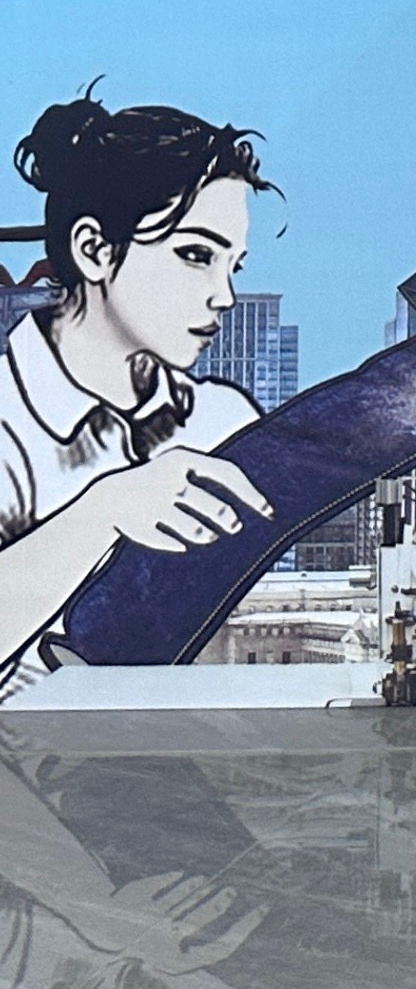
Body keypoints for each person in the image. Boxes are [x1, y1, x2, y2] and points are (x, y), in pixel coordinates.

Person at [0, 95, 276, 700]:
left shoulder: (224, 420)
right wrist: (104, 511)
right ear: (94, 250)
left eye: (234, 266)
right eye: (196, 256)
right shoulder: (8, 420)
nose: (224, 296)